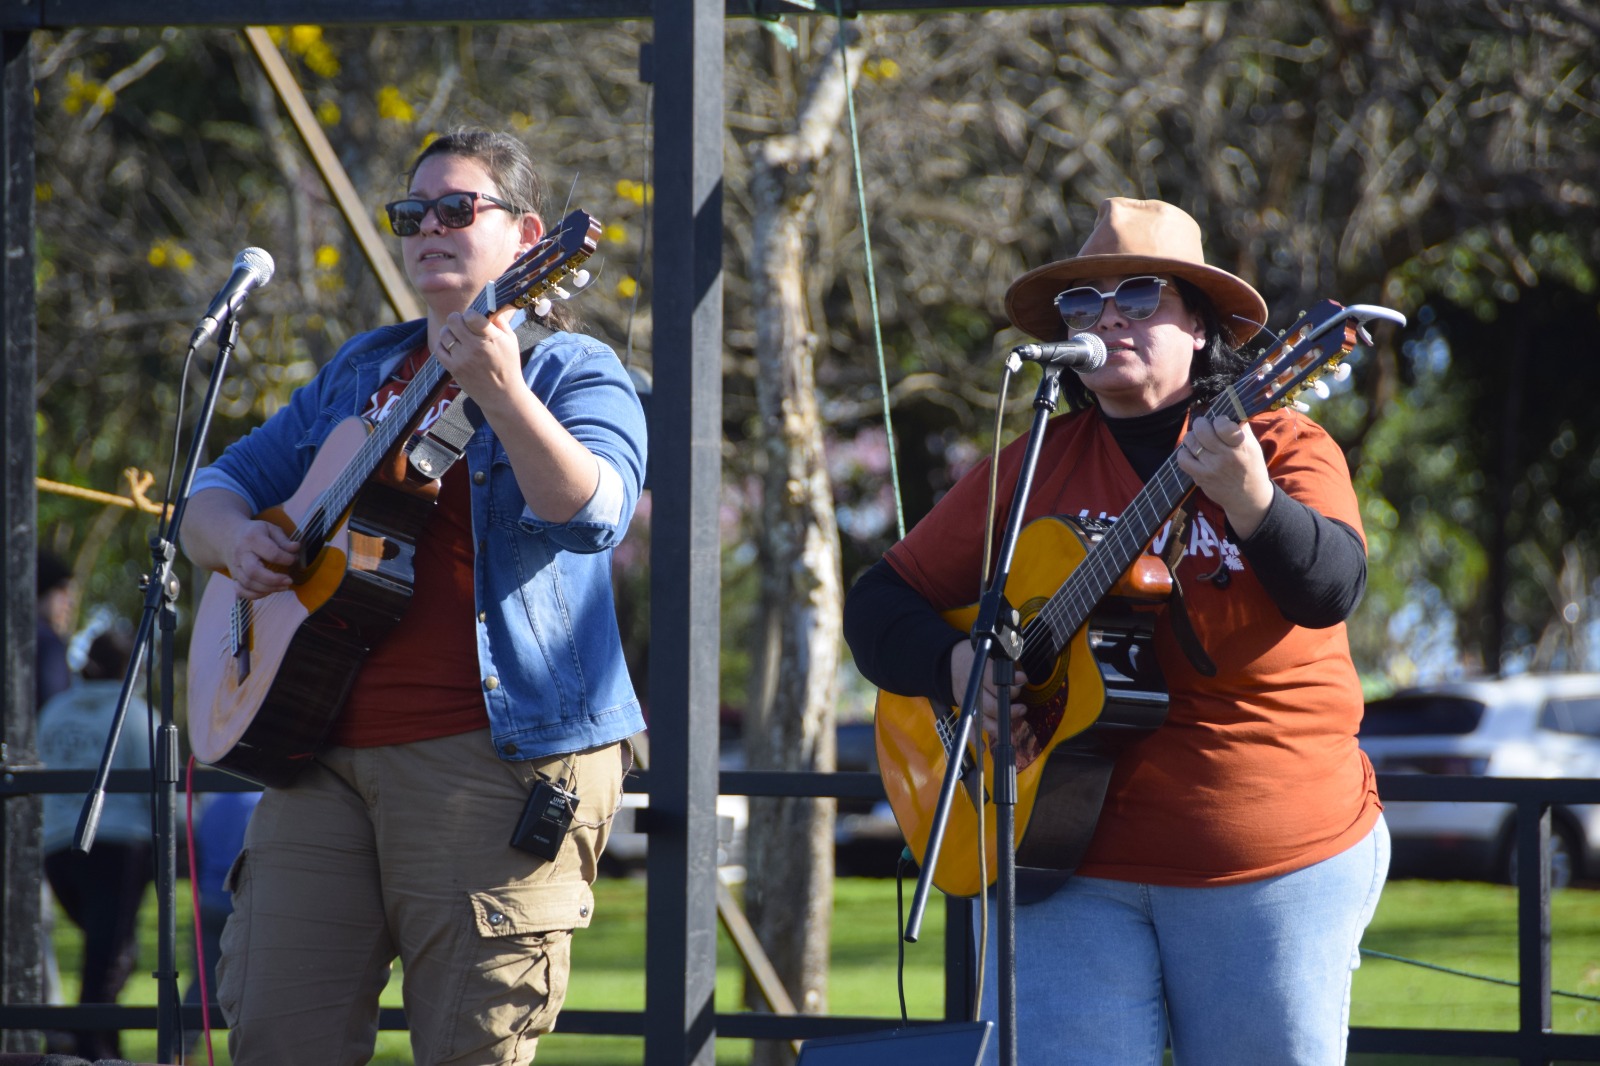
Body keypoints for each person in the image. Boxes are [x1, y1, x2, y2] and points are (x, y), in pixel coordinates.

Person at [843, 197, 1388, 1065]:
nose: (1107, 318)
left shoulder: (1280, 442)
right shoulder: (1032, 463)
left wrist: (1252, 501)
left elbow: (1331, 589)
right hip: (1061, 863)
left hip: (1267, 861)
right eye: (1083, 303)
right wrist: (957, 667)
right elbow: (878, 603)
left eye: (1139, 296)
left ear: (1202, 327)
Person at [180, 127, 647, 1065]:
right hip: (317, 752)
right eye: (411, 213)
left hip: (495, 761)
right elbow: (211, 491)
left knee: (471, 1046)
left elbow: (597, 512)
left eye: (456, 208)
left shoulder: (574, 369)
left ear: (529, 237)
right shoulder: (364, 368)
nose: (429, 226)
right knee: (274, 1033)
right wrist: (238, 543)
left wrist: (504, 394)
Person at [39, 627, 155, 1062]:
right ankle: (92, 1046)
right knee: (111, 954)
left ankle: (101, 1041)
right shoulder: (135, 715)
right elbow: (157, 783)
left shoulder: (54, 711)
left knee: (108, 952)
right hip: (119, 846)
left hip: (59, 845)